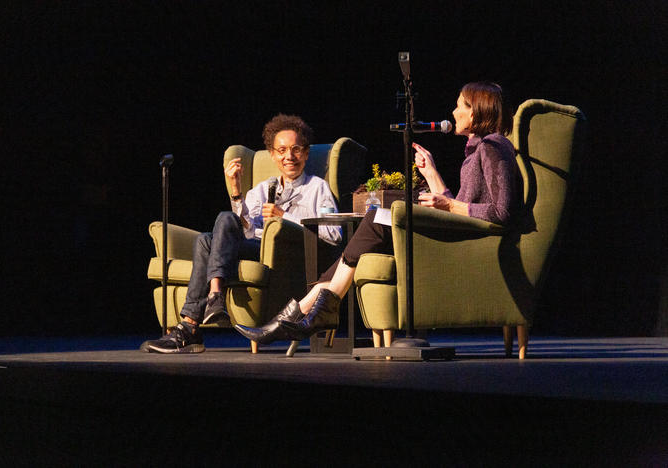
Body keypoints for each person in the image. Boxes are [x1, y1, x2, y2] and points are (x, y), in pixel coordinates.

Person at [236, 81, 518, 344]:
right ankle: (300, 312)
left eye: (461, 106)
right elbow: (463, 204)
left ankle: (303, 313)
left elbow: (501, 212)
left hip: (467, 243)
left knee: (375, 219)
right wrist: (432, 175)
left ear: (478, 111)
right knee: (373, 224)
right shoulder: (478, 149)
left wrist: (449, 206)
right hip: (458, 232)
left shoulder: (494, 146)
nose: (454, 112)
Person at [145, 114, 341, 353]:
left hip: (284, 255)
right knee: (210, 235)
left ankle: (192, 326)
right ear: (272, 155)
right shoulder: (264, 188)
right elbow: (244, 227)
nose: (289, 157)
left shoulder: (317, 187)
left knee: (207, 240)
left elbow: (334, 235)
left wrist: (284, 217)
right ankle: (199, 314)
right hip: (252, 246)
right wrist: (236, 192)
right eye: (281, 150)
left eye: (296, 149)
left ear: (306, 153)